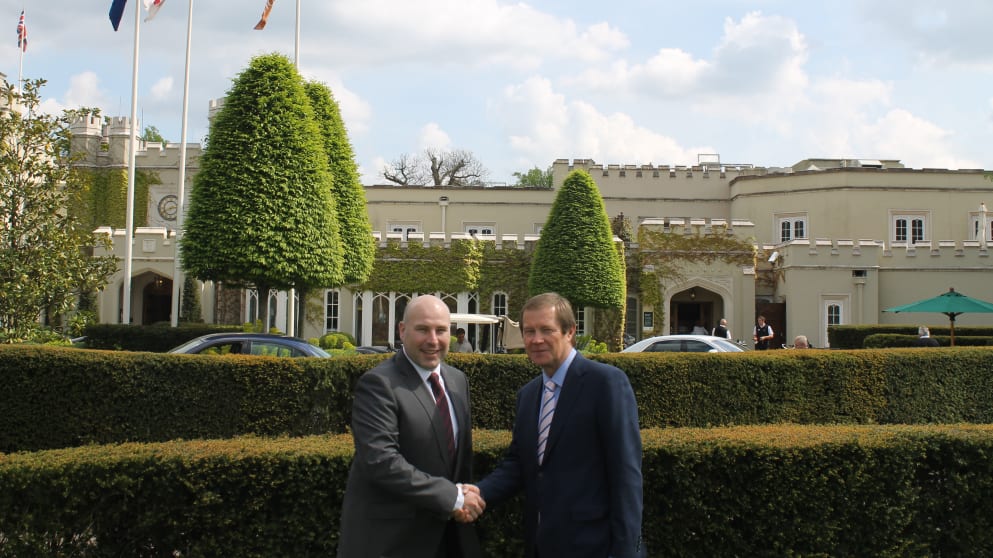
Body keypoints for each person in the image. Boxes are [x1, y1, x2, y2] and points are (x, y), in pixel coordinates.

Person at [473, 293, 644, 558]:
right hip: (542, 545)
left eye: (546, 330)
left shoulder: (606, 384)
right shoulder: (528, 395)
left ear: (570, 332)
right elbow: (518, 464)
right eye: (529, 331)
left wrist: (625, 552)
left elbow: (626, 476)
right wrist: (478, 494)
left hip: (595, 547)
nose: (536, 339)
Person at [338, 295, 483, 558]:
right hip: (395, 542)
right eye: (423, 329)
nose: (433, 339)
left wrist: (463, 499)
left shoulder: (457, 380)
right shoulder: (379, 384)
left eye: (441, 330)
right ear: (402, 330)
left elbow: (459, 461)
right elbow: (381, 461)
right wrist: (452, 497)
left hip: (451, 537)